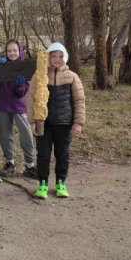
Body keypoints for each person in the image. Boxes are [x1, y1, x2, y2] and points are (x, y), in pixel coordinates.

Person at [27, 42, 85, 199]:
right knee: (43, 155)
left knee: (63, 155)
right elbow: (31, 98)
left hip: (64, 124)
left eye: (60, 56)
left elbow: (79, 100)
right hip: (43, 123)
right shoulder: (39, 76)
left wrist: (78, 122)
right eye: (53, 56)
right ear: (48, 57)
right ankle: (43, 184)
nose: (57, 59)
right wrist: (32, 121)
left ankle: (61, 183)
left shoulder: (72, 77)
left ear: (65, 57)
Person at [0, 39, 36, 179]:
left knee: (26, 134)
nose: (12, 53)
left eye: (15, 50)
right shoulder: (2, 65)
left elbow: (22, 92)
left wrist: (19, 85)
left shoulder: (24, 67)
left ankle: (30, 164)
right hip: (3, 105)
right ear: (6, 52)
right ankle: (10, 162)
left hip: (19, 106)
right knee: (5, 134)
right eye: (9, 51)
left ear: (20, 51)